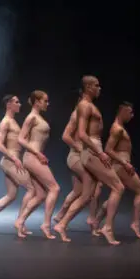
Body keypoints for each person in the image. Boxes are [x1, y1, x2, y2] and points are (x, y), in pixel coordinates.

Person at [56, 76, 125, 245]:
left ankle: (62, 223)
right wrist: (99, 153)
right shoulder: (85, 106)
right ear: (88, 87)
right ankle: (107, 228)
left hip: (92, 149)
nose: (99, 88)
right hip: (92, 149)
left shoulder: (89, 106)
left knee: (87, 195)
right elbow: (80, 134)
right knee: (118, 187)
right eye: (96, 85)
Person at [90, 102, 140, 239]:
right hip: (121, 165)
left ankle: (97, 221)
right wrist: (124, 163)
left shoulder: (119, 128)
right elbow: (108, 149)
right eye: (130, 113)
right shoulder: (117, 129)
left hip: (120, 164)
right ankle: (135, 223)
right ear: (123, 112)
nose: (132, 116)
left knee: (115, 194)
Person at [0, 95, 35, 234]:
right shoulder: (5, 122)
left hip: (12, 160)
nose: (20, 104)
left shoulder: (12, 121)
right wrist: (14, 158)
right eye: (17, 102)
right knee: (31, 189)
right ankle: (20, 222)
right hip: (10, 161)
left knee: (11, 195)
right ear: (8, 104)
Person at [15, 90, 60, 239]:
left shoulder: (37, 118)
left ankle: (20, 220)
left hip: (34, 157)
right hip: (32, 157)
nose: (48, 103)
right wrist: (38, 153)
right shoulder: (31, 117)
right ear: (37, 102)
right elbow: (21, 139)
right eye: (45, 101)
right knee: (55, 188)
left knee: (40, 194)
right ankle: (46, 224)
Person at [51, 100, 97, 242]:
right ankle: (62, 223)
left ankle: (59, 216)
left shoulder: (83, 115)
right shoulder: (77, 114)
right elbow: (65, 136)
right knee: (87, 193)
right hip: (76, 157)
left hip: (77, 157)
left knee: (77, 191)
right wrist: (79, 148)